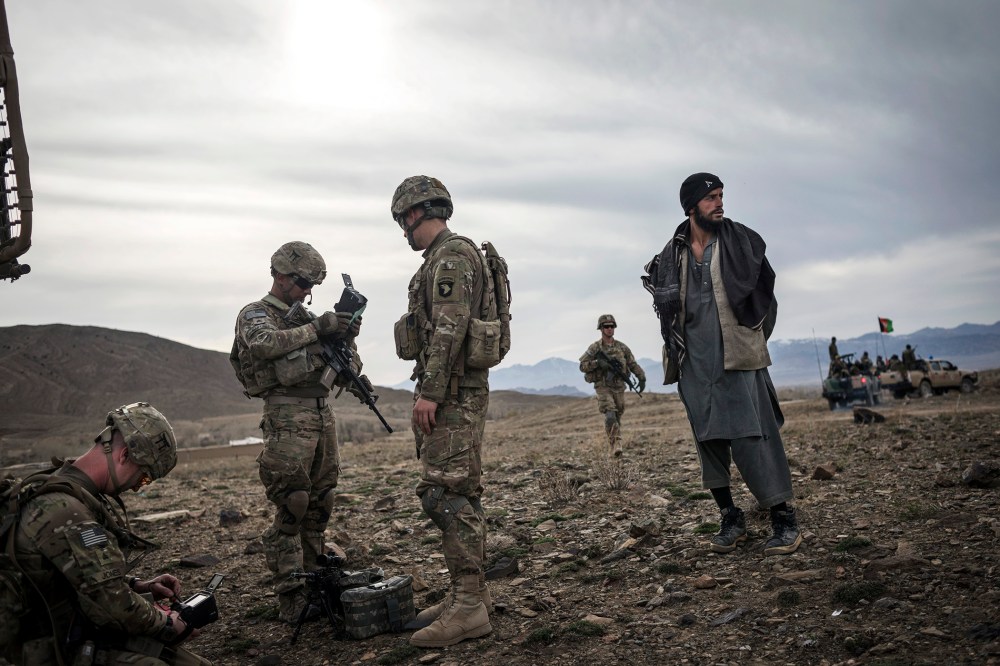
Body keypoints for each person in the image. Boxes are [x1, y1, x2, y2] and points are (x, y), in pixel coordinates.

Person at [642, 172, 801, 556]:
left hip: (738, 357)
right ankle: (730, 517)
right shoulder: (671, 254)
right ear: (691, 206)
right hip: (693, 363)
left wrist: (752, 339)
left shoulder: (740, 242)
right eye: (711, 197)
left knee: (754, 437)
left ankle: (783, 518)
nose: (719, 203)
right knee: (708, 441)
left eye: (721, 195)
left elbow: (766, 299)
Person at [5, 402, 211, 665]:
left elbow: (70, 576)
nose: (137, 487)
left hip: (62, 628)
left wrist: (137, 586)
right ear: (124, 455)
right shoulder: (67, 510)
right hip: (44, 649)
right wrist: (170, 624)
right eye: (144, 477)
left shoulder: (60, 485)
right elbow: (113, 607)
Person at [230, 241, 364, 624]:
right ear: (281, 275)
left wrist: (344, 338)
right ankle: (291, 594)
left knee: (322, 500)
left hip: (322, 415)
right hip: (287, 415)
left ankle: (315, 582)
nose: (308, 292)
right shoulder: (256, 314)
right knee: (294, 502)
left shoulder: (301, 318)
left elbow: (345, 364)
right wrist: (317, 327)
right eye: (303, 283)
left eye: (312, 286)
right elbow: (264, 344)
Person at [390, 175, 495, 648]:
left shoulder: (451, 256)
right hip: (455, 389)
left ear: (415, 213)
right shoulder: (445, 257)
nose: (404, 230)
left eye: (404, 220)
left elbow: (450, 328)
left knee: (443, 495)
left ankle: (469, 607)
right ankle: (468, 596)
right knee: (462, 491)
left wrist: (430, 391)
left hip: (452, 393)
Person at [578, 314, 646, 456]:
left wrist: (641, 376)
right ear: (601, 329)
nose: (609, 329)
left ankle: (613, 446)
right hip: (603, 386)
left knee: (617, 415)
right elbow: (582, 366)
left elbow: (632, 363)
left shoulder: (622, 347)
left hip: (619, 386)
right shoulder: (595, 348)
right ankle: (617, 443)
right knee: (609, 414)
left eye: (612, 326)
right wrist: (597, 363)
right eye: (606, 326)